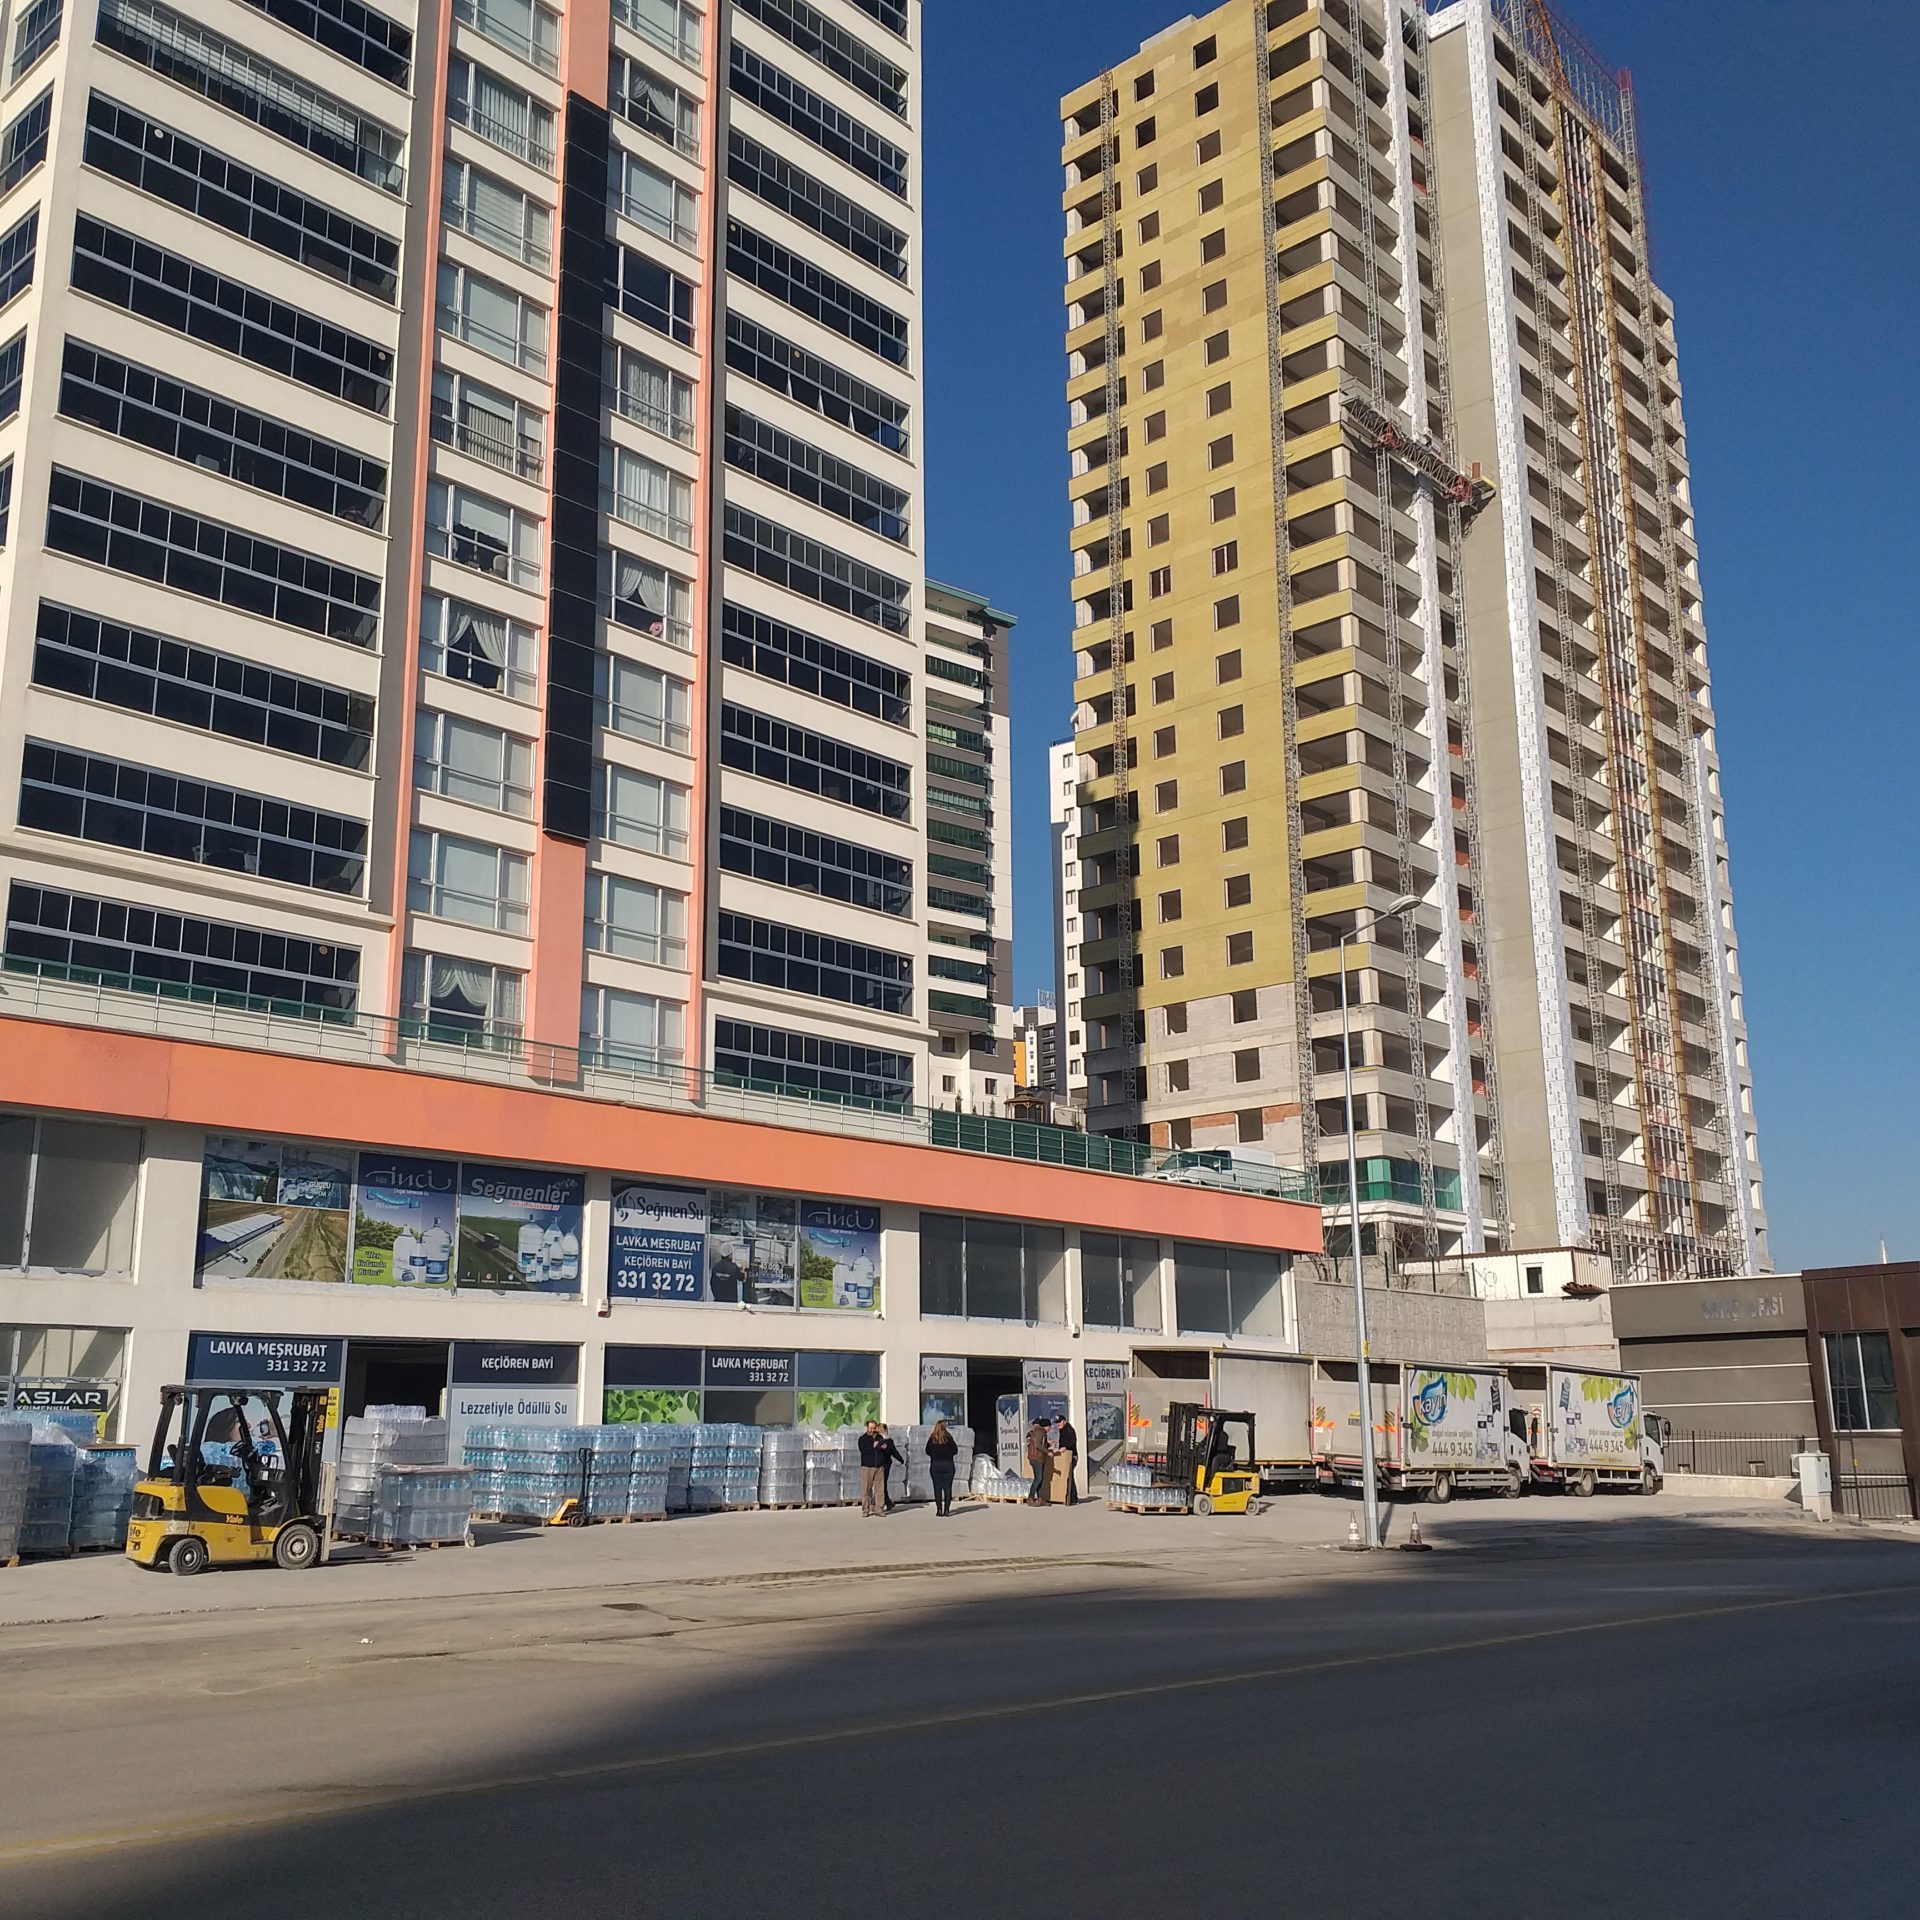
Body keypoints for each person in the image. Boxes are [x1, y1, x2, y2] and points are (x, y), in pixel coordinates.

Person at [925, 1419, 959, 1516]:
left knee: (937, 1488)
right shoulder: (949, 1438)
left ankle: (939, 1509)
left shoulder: (932, 1439)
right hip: (948, 1465)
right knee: (947, 1488)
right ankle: (947, 1510)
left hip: (936, 1465)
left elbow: (927, 1451)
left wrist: (934, 1455)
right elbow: (955, 1450)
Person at [857, 1420, 888, 1517]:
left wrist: (884, 1447)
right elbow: (864, 1450)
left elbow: (885, 1449)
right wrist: (873, 1446)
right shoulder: (863, 1439)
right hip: (867, 1466)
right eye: (870, 1428)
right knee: (866, 1489)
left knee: (880, 1489)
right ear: (867, 1428)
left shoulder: (879, 1437)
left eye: (874, 1428)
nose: (872, 1430)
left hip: (879, 1466)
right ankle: (866, 1509)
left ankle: (879, 1508)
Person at [1026, 1418, 1053, 1505]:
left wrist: (1049, 1444)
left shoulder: (1041, 1432)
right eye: (1049, 1427)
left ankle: (1040, 1499)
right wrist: (1047, 1452)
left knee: (1040, 1479)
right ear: (1046, 1426)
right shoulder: (1039, 1432)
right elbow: (1037, 1445)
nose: (1050, 1429)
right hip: (1036, 1457)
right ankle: (1030, 1497)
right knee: (1038, 1478)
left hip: (1039, 1458)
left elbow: (1041, 1445)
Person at [1054, 1415, 1080, 1505]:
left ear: (1064, 1421)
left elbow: (1072, 1442)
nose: (1058, 1424)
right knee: (1066, 1476)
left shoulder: (1069, 1430)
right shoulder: (1061, 1430)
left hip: (1072, 1456)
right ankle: (1066, 1496)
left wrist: (1065, 1447)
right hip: (1064, 1456)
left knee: (1069, 1476)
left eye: (1059, 1422)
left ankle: (1073, 1498)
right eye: (1057, 1422)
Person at [876, 1424, 903, 1510]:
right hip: (883, 1463)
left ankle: (887, 1501)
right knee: (882, 1483)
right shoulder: (884, 1440)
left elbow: (893, 1451)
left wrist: (900, 1459)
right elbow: (894, 1451)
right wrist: (901, 1459)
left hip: (882, 1464)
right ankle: (887, 1501)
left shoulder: (881, 1440)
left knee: (882, 1483)